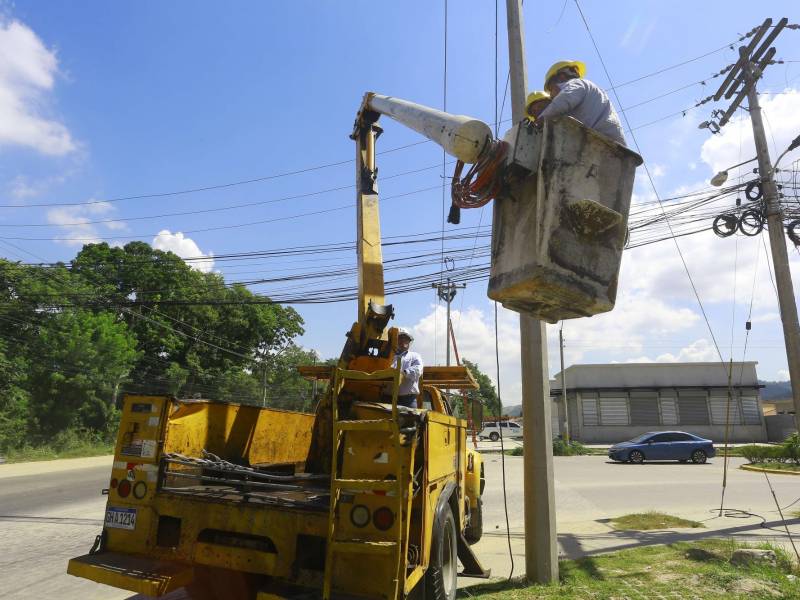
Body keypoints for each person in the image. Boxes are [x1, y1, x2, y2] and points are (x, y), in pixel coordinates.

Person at [537, 59, 626, 146]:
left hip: (602, 141)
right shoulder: (590, 87)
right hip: (613, 143)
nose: (551, 96)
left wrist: (539, 121)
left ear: (561, 77)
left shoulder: (575, 84)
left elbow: (561, 103)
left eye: (551, 89)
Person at [384, 328, 423, 408]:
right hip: (388, 398)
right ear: (396, 341)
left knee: (410, 419)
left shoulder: (414, 356)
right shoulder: (388, 357)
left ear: (409, 341)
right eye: (400, 338)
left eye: (406, 338)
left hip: (408, 400)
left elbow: (418, 370)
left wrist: (404, 373)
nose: (403, 340)